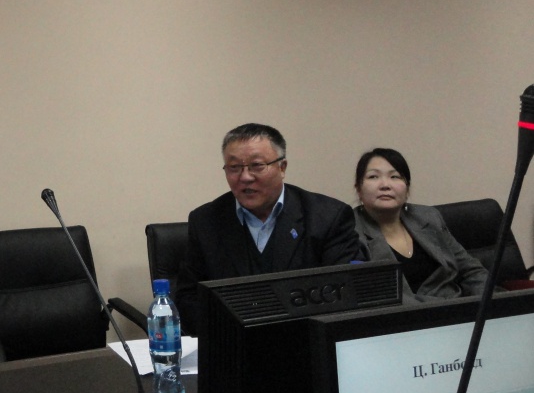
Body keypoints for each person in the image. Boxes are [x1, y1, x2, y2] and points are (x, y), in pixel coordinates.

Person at [176, 123, 367, 334]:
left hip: (305, 341)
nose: (245, 177)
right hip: (233, 341)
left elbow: (344, 296)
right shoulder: (206, 221)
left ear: (282, 167)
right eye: (234, 167)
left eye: (257, 165)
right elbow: (188, 300)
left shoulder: (328, 217)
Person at [353, 147, 490, 303]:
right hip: (403, 315)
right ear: (359, 189)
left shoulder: (428, 217)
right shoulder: (351, 232)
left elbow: (471, 271)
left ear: (407, 189)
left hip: (457, 308)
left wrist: (488, 305)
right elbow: (373, 295)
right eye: (373, 177)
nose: (385, 185)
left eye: (395, 176)